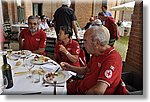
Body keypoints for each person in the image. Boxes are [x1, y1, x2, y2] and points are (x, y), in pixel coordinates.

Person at [60, 26, 127, 95]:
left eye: (85, 41)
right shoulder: (96, 53)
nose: (83, 45)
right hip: (80, 86)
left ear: (96, 43)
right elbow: (86, 70)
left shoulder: (112, 59)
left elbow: (98, 91)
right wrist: (70, 67)